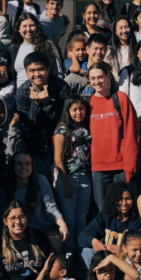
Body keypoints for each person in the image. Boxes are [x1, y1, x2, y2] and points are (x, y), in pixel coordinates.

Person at [87, 62, 140, 208]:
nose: (97, 82)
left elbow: (132, 134)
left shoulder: (120, 98)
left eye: (100, 77)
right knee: (103, 211)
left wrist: (130, 167)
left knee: (124, 210)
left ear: (107, 76)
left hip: (122, 167)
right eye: (93, 78)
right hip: (98, 169)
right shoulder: (87, 103)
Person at [16, 51, 72, 174]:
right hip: (36, 148)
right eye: (32, 70)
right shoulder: (22, 92)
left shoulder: (61, 87)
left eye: (41, 69)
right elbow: (30, 124)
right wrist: (36, 104)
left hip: (60, 145)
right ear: (26, 72)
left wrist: (47, 103)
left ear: (48, 69)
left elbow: (62, 120)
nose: (37, 74)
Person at [5, 151, 68, 251]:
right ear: (12, 166)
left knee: (55, 240)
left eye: (27, 163)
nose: (23, 167)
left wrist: (61, 223)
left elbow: (51, 207)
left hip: (43, 229)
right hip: (19, 231)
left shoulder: (41, 180)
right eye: (19, 163)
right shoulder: (6, 188)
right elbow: (3, 216)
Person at [53, 96, 93, 250]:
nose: (78, 112)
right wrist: (66, 183)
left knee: (82, 220)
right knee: (69, 219)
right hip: (68, 178)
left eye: (81, 109)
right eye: (74, 109)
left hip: (85, 178)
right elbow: (58, 158)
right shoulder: (62, 129)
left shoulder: (86, 127)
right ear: (68, 110)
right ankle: (68, 252)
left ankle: (81, 252)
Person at [78, 181, 141, 269]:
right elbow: (82, 237)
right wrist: (94, 241)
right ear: (113, 200)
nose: (124, 203)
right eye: (120, 199)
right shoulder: (106, 215)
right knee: (87, 251)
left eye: (128, 198)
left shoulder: (138, 220)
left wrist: (121, 250)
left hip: (127, 261)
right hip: (106, 259)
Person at [10, 12, 63, 84]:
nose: (28, 29)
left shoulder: (47, 45)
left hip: (43, 92)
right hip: (20, 93)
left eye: (31, 25)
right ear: (18, 29)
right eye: (24, 26)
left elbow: (58, 72)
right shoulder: (13, 48)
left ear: (37, 27)